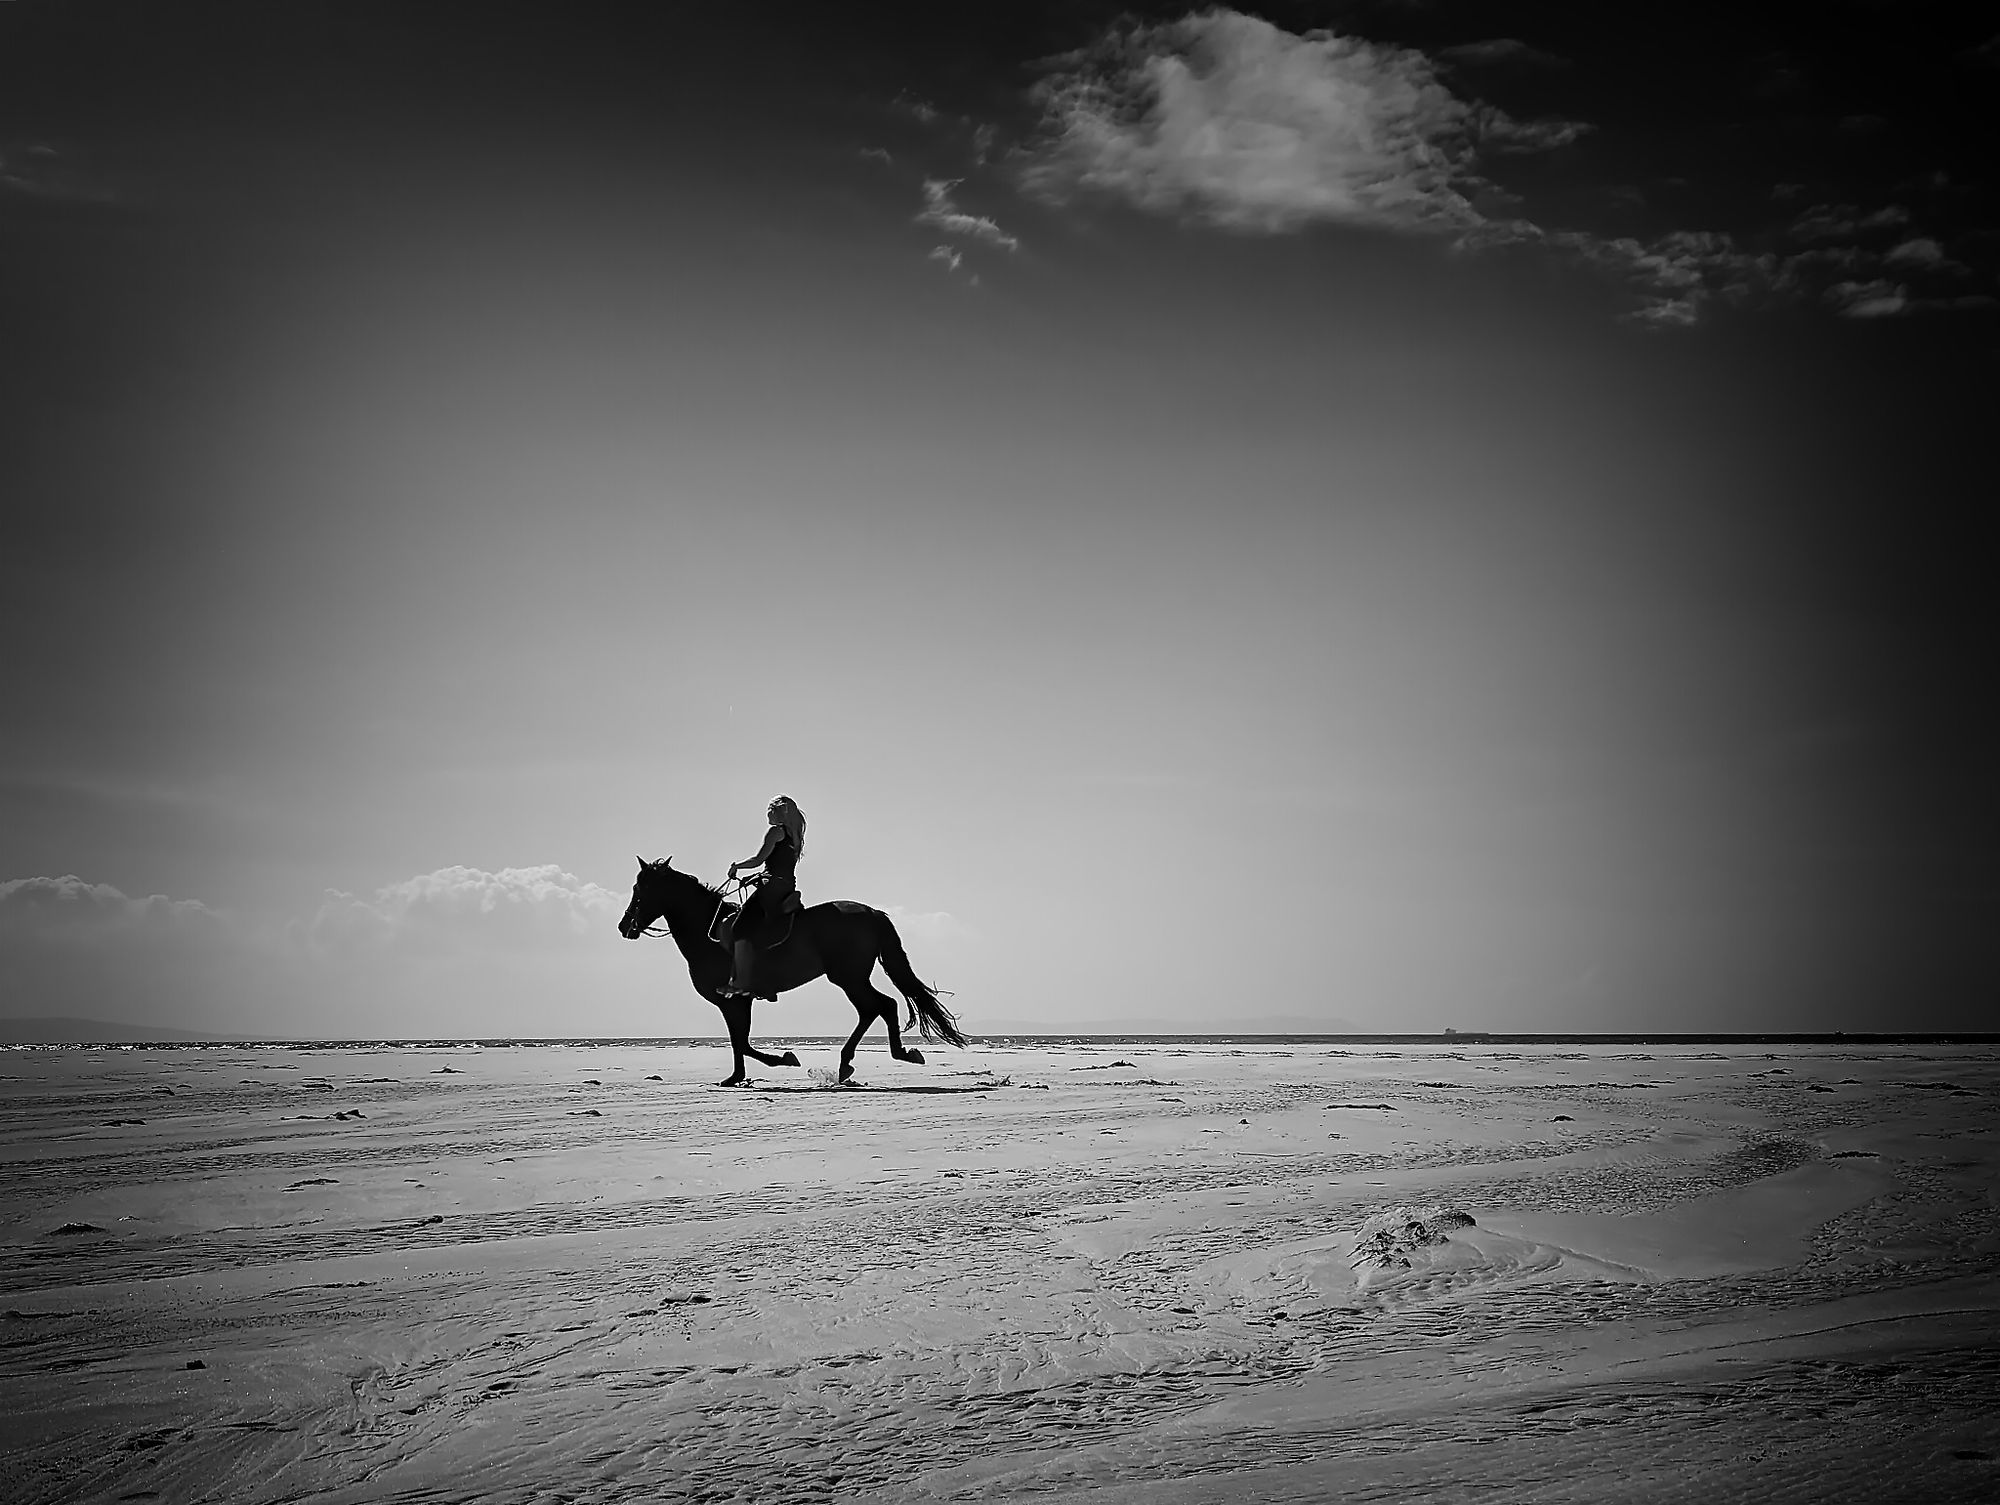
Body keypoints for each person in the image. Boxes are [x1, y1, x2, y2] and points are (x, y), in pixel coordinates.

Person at [722, 795, 806, 997]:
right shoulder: (794, 835)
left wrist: (737, 867)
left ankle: (739, 982)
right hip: (786, 886)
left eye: (769, 809)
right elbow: (778, 866)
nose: (767, 813)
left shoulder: (776, 831)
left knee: (739, 928)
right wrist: (756, 877)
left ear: (776, 811)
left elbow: (759, 859)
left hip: (770, 888)